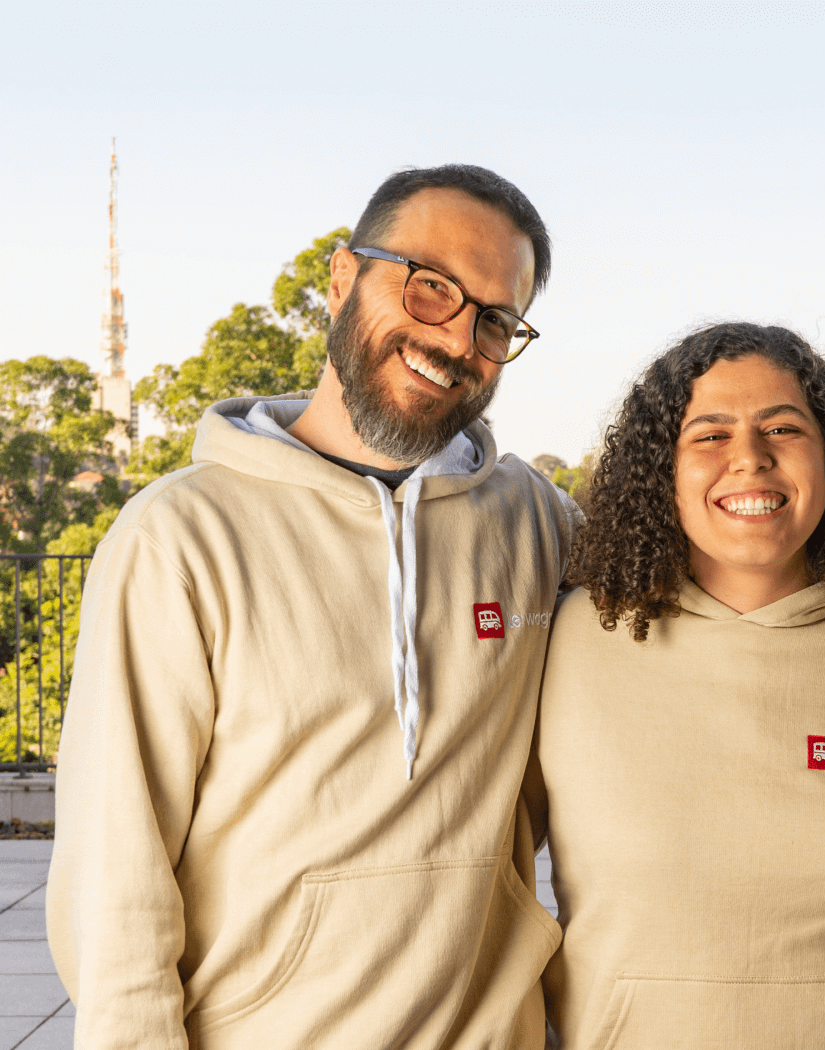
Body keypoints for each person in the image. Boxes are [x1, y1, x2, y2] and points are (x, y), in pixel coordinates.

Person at [48, 165, 575, 1049]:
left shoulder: (536, 522)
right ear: (342, 278)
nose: (454, 337)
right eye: (430, 286)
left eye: (494, 320)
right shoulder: (178, 539)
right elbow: (115, 879)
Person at [535, 322, 825, 1048]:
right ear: (661, 466)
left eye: (783, 428)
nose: (751, 459)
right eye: (710, 435)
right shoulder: (569, 639)